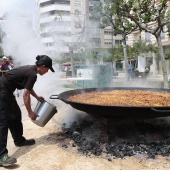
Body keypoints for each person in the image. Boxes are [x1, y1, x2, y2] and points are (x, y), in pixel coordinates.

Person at [0, 55, 55, 167]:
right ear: (43, 67)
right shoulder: (32, 74)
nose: (47, 71)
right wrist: (30, 112)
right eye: (48, 69)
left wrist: (37, 97)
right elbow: (25, 95)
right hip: (2, 91)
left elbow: (28, 88)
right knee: (3, 122)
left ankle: (19, 140)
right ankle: (1, 156)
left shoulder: (31, 71)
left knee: (15, 115)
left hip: (6, 92)